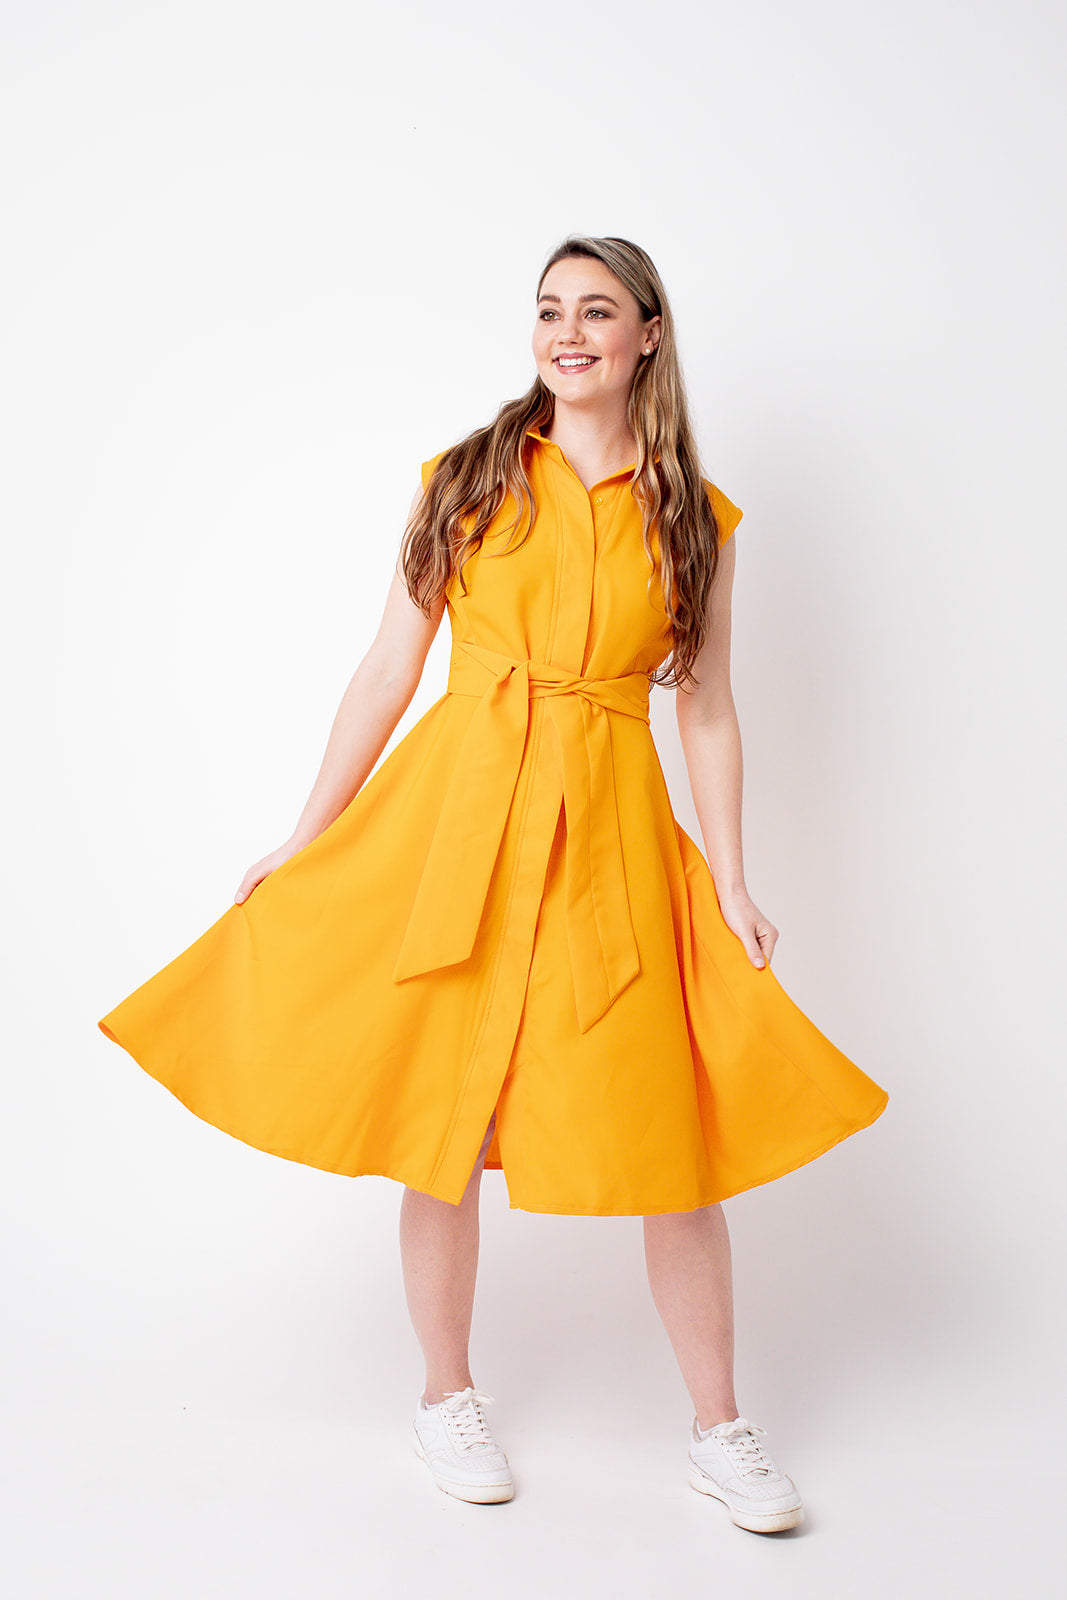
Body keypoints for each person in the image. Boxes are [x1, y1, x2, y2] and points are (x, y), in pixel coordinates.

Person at [98, 234, 888, 1533]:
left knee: (671, 1140)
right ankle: (445, 1395)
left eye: (596, 311)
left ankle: (720, 1427)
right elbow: (388, 665)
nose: (567, 331)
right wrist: (304, 834)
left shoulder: (696, 517)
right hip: (457, 824)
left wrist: (736, 880)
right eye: (548, 309)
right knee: (445, 1121)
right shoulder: (465, 479)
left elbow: (706, 708)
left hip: (612, 836)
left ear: (647, 335)